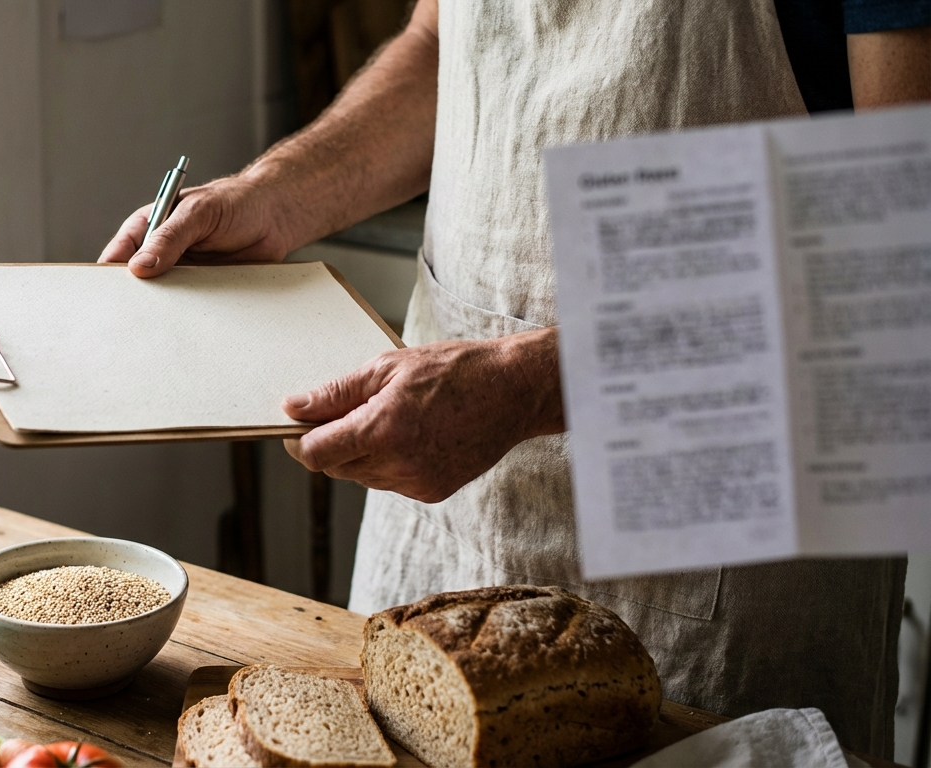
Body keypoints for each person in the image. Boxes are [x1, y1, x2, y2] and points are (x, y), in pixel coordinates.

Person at [99, 0, 931, 757]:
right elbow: (440, 44)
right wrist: (272, 197)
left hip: (717, 563)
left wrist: (528, 381)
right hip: (445, 521)